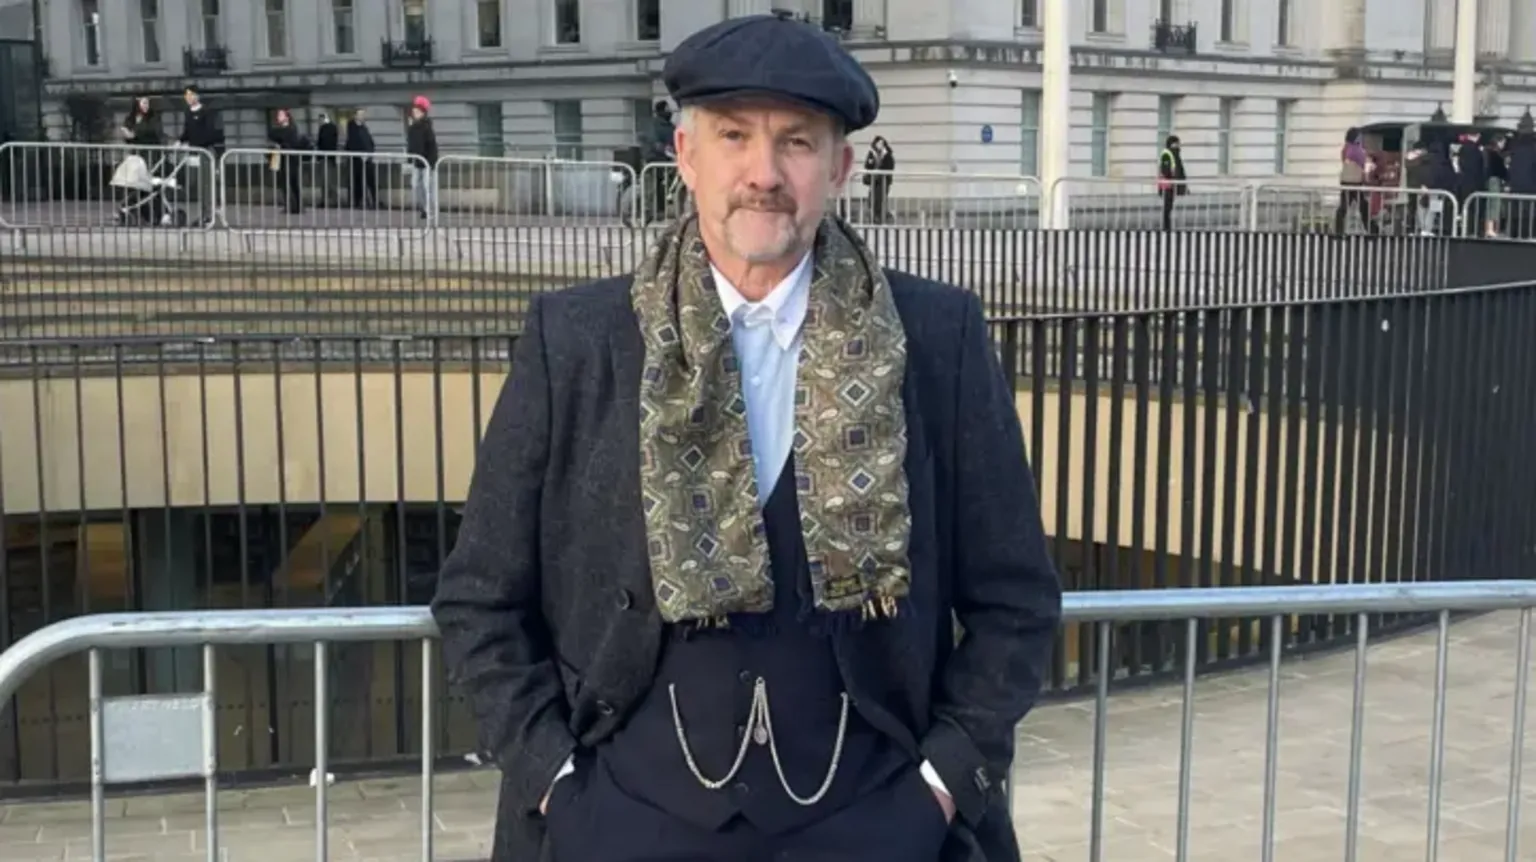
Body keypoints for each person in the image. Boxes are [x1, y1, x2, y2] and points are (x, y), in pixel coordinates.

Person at [432, 12, 1062, 862]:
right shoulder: (575, 340)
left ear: (840, 168)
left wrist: (939, 789)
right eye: (734, 136)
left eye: (796, 142)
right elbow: (479, 598)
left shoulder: (937, 337)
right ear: (686, 156)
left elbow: (1016, 602)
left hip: (878, 826)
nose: (764, 173)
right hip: (620, 826)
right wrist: (558, 786)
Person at [178, 85, 223, 227]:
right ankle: (204, 214)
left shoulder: (206, 112)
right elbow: (187, 131)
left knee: (206, 185)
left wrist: (196, 143)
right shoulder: (187, 112)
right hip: (194, 152)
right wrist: (180, 141)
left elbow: (210, 133)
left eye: (191, 95)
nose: (188, 98)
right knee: (197, 184)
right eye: (186, 95)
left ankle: (208, 215)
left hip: (205, 151)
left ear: (197, 96)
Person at [267, 108, 309, 215]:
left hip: (291, 159)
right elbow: (272, 134)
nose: (278, 117)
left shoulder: (291, 129)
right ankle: (291, 205)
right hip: (284, 159)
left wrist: (281, 142)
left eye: (280, 115)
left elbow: (284, 138)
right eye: (278, 115)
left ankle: (296, 206)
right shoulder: (282, 129)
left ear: (287, 117)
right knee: (286, 183)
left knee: (292, 183)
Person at [1335, 127, 1376, 236]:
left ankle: (1338, 230)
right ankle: (1371, 230)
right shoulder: (1356, 149)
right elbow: (1363, 162)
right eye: (1359, 136)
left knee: (1344, 206)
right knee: (1363, 206)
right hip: (1355, 182)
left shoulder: (1346, 148)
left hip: (1346, 181)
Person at [406, 95, 438, 219]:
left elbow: (431, 145)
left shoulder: (426, 127)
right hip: (417, 161)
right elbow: (411, 143)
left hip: (427, 161)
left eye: (417, 112)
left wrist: (431, 162)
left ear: (423, 113)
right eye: (414, 112)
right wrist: (410, 158)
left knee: (427, 186)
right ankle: (424, 207)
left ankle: (429, 209)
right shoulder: (412, 128)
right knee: (415, 185)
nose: (415, 114)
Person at [344, 108, 378, 209]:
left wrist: (370, 153)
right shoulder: (352, 127)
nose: (363, 116)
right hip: (357, 159)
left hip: (367, 158)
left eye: (363, 114)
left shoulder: (364, 128)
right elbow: (354, 142)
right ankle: (357, 201)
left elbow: (369, 142)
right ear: (356, 116)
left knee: (370, 180)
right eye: (360, 114)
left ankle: (372, 200)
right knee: (357, 181)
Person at [862, 135, 895, 223]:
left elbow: (889, 166)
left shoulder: (887, 154)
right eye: (877, 143)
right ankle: (875, 218)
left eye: (881, 143)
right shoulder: (872, 154)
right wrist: (871, 162)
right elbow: (867, 166)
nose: (879, 145)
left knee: (880, 200)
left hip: (883, 181)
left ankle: (882, 218)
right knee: (872, 200)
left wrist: (879, 172)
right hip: (874, 181)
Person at [1157, 135, 1186, 231]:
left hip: (1172, 185)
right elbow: (1166, 170)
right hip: (1167, 185)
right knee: (1167, 207)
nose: (1179, 145)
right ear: (1172, 144)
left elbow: (1179, 169)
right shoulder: (1167, 154)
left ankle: (1168, 226)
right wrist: (1173, 179)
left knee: (1169, 206)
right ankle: (1166, 227)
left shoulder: (1175, 154)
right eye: (1177, 143)